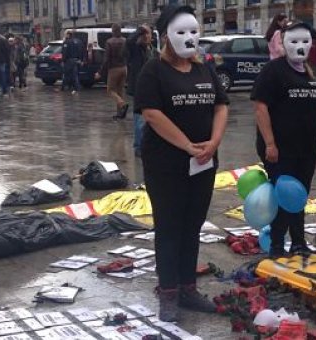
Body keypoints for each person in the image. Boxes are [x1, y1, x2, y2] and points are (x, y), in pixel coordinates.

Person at [135, 5, 229, 322]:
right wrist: (187, 146)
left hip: (202, 164)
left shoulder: (205, 69)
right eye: (182, 32)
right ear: (166, 37)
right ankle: (169, 292)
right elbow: (151, 113)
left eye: (193, 31)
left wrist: (213, 143)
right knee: (170, 228)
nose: (189, 38)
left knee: (192, 227)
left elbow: (221, 106)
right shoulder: (154, 70)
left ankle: (188, 288)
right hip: (166, 164)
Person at [251, 21, 316, 257]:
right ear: (284, 43)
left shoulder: (314, 72)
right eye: (294, 41)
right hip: (280, 149)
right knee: (283, 196)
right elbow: (260, 107)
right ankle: (277, 244)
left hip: (306, 148)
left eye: (305, 41)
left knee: (299, 196)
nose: (300, 46)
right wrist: (269, 143)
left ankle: (298, 242)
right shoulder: (273, 70)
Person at [126, 24, 156, 157]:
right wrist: (140, 30)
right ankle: (138, 146)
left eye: (148, 33)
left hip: (152, 88)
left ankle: (148, 144)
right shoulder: (136, 49)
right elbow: (129, 41)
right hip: (139, 88)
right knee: (139, 119)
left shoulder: (152, 50)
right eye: (144, 34)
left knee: (151, 119)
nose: (146, 36)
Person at [96, 23, 128, 120]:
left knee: (110, 90)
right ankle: (120, 114)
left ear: (113, 31)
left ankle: (123, 104)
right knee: (120, 90)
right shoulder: (125, 41)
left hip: (114, 68)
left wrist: (100, 72)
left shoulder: (109, 42)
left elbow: (106, 59)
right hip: (124, 68)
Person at [61, 29, 85, 94]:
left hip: (69, 61)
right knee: (75, 74)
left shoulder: (66, 42)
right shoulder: (79, 41)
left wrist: (63, 60)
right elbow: (83, 51)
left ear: (68, 35)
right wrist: (82, 60)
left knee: (67, 74)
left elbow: (64, 52)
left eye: (65, 35)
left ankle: (66, 87)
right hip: (77, 60)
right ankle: (74, 87)